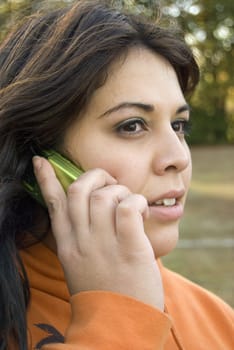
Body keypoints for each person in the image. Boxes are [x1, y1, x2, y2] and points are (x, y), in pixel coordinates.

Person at [0, 1, 233, 349]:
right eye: (132, 125)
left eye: (178, 125)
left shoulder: (217, 319)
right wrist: (119, 321)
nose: (178, 157)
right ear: (38, 156)